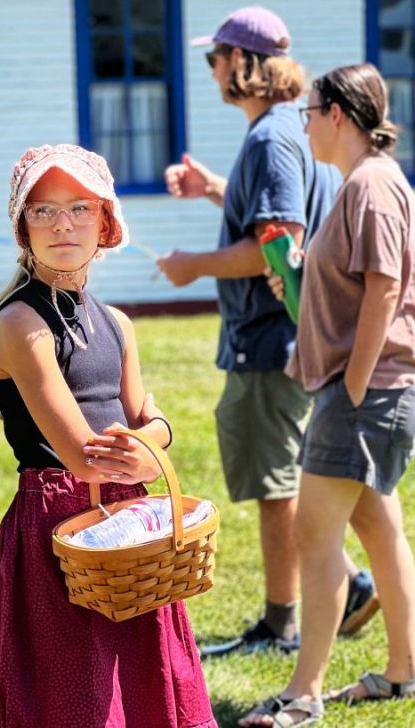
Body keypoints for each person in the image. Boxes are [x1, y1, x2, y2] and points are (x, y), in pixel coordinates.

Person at [156, 7, 378, 658]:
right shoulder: (285, 131)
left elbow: (277, 244)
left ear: (247, 65)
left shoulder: (270, 139)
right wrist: (211, 192)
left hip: (269, 343)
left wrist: (193, 266)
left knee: (278, 490)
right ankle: (349, 590)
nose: (213, 70)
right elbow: (270, 214)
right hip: (280, 342)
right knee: (297, 484)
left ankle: (284, 626)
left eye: (217, 57)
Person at [0, 144, 216, 728]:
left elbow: (152, 422)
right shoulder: (19, 323)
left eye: (80, 208)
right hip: (61, 532)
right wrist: (143, 447)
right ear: (21, 226)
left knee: (143, 691)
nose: (63, 224)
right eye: (44, 211)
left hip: (130, 536)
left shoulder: (117, 324)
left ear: (105, 223)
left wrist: (148, 442)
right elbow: (85, 457)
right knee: (76, 699)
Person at [239, 63, 415, 726]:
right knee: (377, 527)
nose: (303, 121)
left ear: (338, 114)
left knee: (314, 533)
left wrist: (358, 381)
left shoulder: (369, 184)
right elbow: (358, 282)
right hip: (369, 390)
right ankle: (403, 674)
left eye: (310, 110)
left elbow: (384, 288)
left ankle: (303, 693)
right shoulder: (367, 183)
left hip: (364, 392)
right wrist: (303, 281)